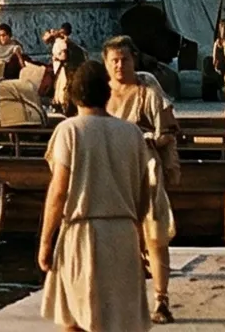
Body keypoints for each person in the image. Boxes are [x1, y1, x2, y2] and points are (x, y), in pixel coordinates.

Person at [38, 61, 150, 332]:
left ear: (73, 94)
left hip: (83, 232)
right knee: (120, 322)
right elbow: (144, 194)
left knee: (75, 319)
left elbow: (59, 192)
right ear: (107, 92)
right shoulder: (132, 133)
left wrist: (45, 241)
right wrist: (139, 237)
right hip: (123, 233)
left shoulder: (70, 131)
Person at [103, 36, 179, 323]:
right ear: (106, 63)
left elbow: (168, 129)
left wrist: (149, 141)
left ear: (134, 60)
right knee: (118, 236)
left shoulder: (146, 86)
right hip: (111, 170)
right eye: (114, 60)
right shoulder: (102, 91)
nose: (120, 65)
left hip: (146, 166)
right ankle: (122, 301)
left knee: (155, 235)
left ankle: (161, 300)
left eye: (125, 59)